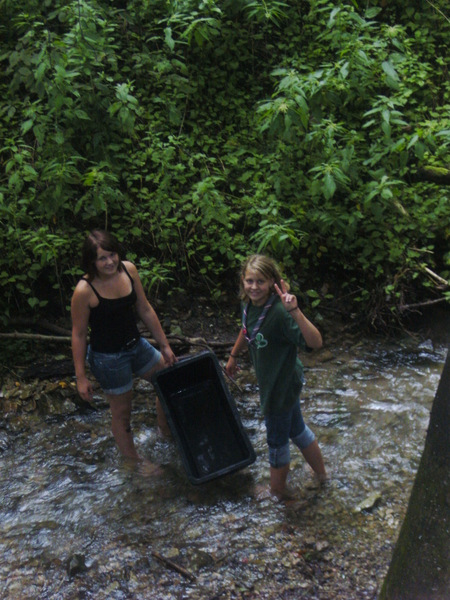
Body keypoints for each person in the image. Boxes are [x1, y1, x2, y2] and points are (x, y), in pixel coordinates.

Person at [71, 229, 177, 470]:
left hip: (136, 345)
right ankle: (134, 463)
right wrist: (81, 377)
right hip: (108, 358)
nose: (110, 262)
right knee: (122, 412)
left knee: (168, 381)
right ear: (92, 262)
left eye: (112, 255)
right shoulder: (84, 290)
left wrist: (164, 345)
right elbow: (78, 335)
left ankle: (165, 433)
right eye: (102, 258)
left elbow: (145, 308)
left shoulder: (129, 270)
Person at [225, 254, 326, 501]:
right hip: (283, 381)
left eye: (260, 281)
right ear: (242, 281)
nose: (254, 287)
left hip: (280, 387)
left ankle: (278, 493)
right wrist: (234, 355)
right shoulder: (248, 304)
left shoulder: (280, 313)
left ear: (272, 282)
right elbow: (246, 329)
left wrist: (295, 311)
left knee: (276, 441)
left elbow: (316, 343)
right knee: (297, 430)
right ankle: (323, 476)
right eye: (249, 281)